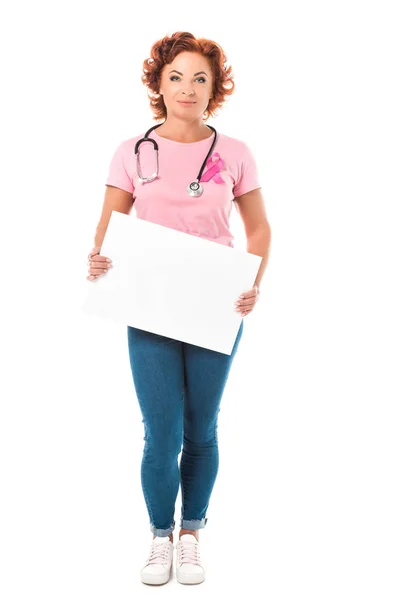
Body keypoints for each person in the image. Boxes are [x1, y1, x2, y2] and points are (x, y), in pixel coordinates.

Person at [86, 31, 271, 586]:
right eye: (176, 77)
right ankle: (159, 539)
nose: (187, 88)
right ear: (158, 84)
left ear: (215, 88)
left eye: (200, 78)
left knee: (202, 426)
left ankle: (192, 534)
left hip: (216, 305)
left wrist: (252, 281)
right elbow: (109, 223)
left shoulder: (234, 153)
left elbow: (259, 227)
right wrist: (97, 259)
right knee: (160, 430)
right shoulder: (132, 151)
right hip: (149, 307)